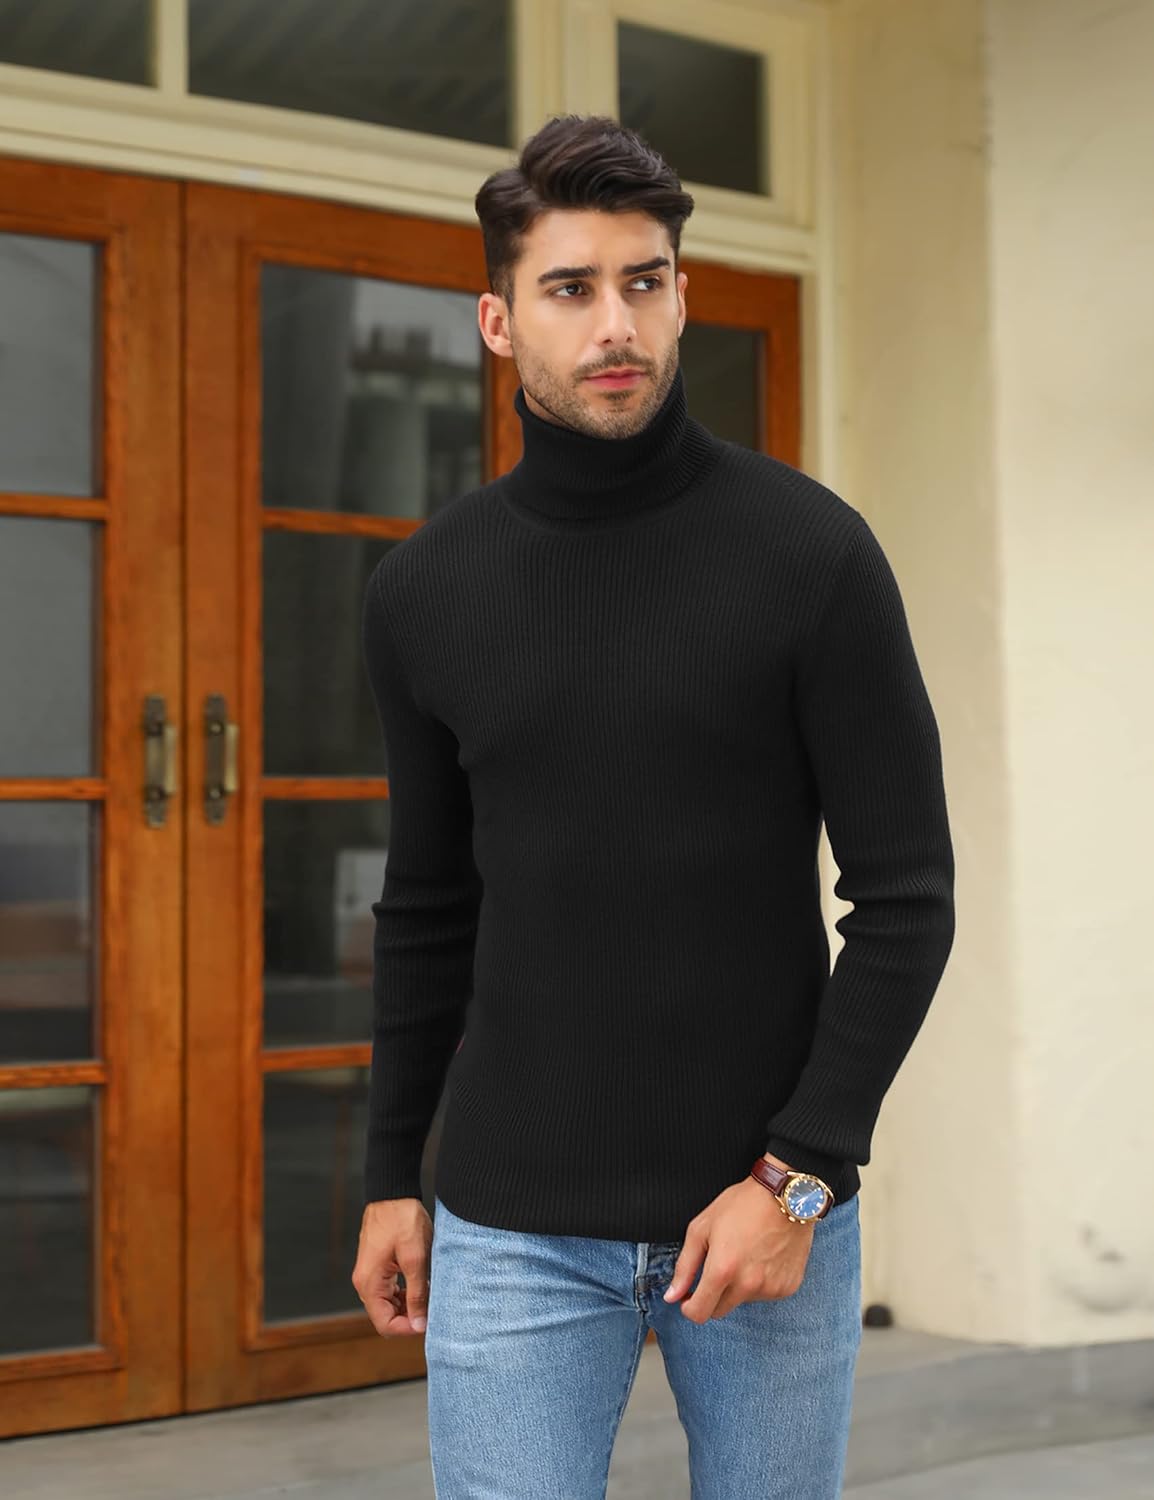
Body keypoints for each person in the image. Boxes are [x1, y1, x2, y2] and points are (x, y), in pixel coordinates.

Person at [351, 113, 955, 1499]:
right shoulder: (425, 592)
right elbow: (428, 905)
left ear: (682, 296)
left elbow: (906, 900)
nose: (614, 323)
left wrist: (796, 1178)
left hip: (761, 1212)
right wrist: (392, 1174)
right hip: (511, 1224)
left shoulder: (810, 554)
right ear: (498, 321)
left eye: (645, 281)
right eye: (570, 288)